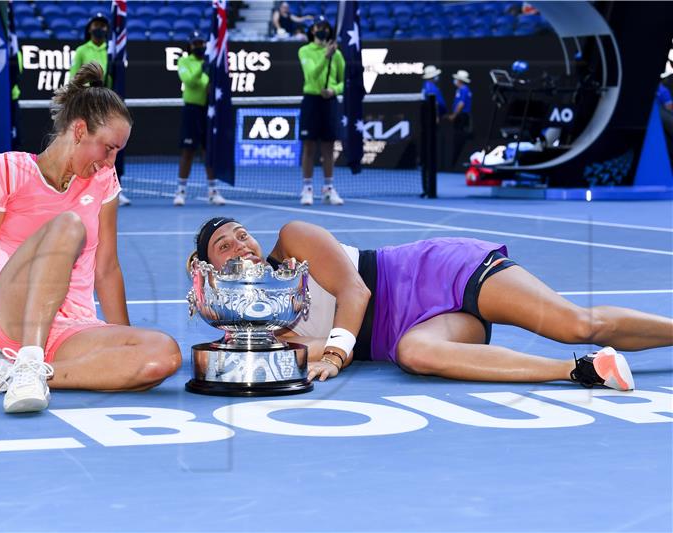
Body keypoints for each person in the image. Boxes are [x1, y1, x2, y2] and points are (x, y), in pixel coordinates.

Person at [0, 63, 182, 414]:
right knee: (69, 226)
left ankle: (11, 372)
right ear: (78, 130)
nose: (110, 162)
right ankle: (26, 359)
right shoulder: (2, 171)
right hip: (8, 315)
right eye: (108, 148)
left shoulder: (104, 181)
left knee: (161, 357)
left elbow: (106, 269)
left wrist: (122, 343)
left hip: (73, 326)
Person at [192, 217, 672, 386]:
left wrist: (336, 352)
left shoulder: (294, 239)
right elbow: (302, 355)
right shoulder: (250, 323)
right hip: (410, 333)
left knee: (575, 323)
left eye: (242, 235)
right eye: (226, 246)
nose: (242, 246)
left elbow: (355, 293)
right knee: (415, 355)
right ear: (209, 266)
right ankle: (582, 370)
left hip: (437, 273)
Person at [69, 13, 131, 207]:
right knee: (85, 147)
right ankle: (78, 188)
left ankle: (113, 188)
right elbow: (74, 78)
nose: (100, 29)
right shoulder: (81, 50)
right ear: (89, 28)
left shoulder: (112, 52)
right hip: (87, 107)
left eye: (104, 26)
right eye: (96, 25)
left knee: (110, 149)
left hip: (107, 108)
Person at [173, 31, 225, 207]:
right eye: (196, 44)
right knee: (188, 151)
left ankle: (213, 191)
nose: (199, 47)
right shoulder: (184, 62)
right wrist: (202, 69)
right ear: (190, 46)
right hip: (191, 110)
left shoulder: (212, 63)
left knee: (209, 152)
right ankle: (180, 191)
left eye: (202, 43)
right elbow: (189, 80)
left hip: (208, 111)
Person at [298, 18, 345, 206]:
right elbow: (311, 75)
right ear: (312, 30)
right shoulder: (304, 50)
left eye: (325, 28)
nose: (322, 30)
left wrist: (334, 90)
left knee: (328, 147)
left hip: (329, 101)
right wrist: (326, 56)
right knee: (309, 147)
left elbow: (344, 81)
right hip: (311, 101)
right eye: (319, 27)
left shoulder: (338, 54)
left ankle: (328, 188)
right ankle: (307, 188)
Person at [447, 69, 473, 168]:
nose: (455, 81)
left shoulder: (464, 89)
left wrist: (454, 115)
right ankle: (455, 162)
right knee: (457, 139)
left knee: (460, 139)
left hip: (462, 117)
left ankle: (458, 162)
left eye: (456, 79)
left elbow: (461, 104)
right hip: (460, 117)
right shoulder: (460, 90)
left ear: (460, 80)